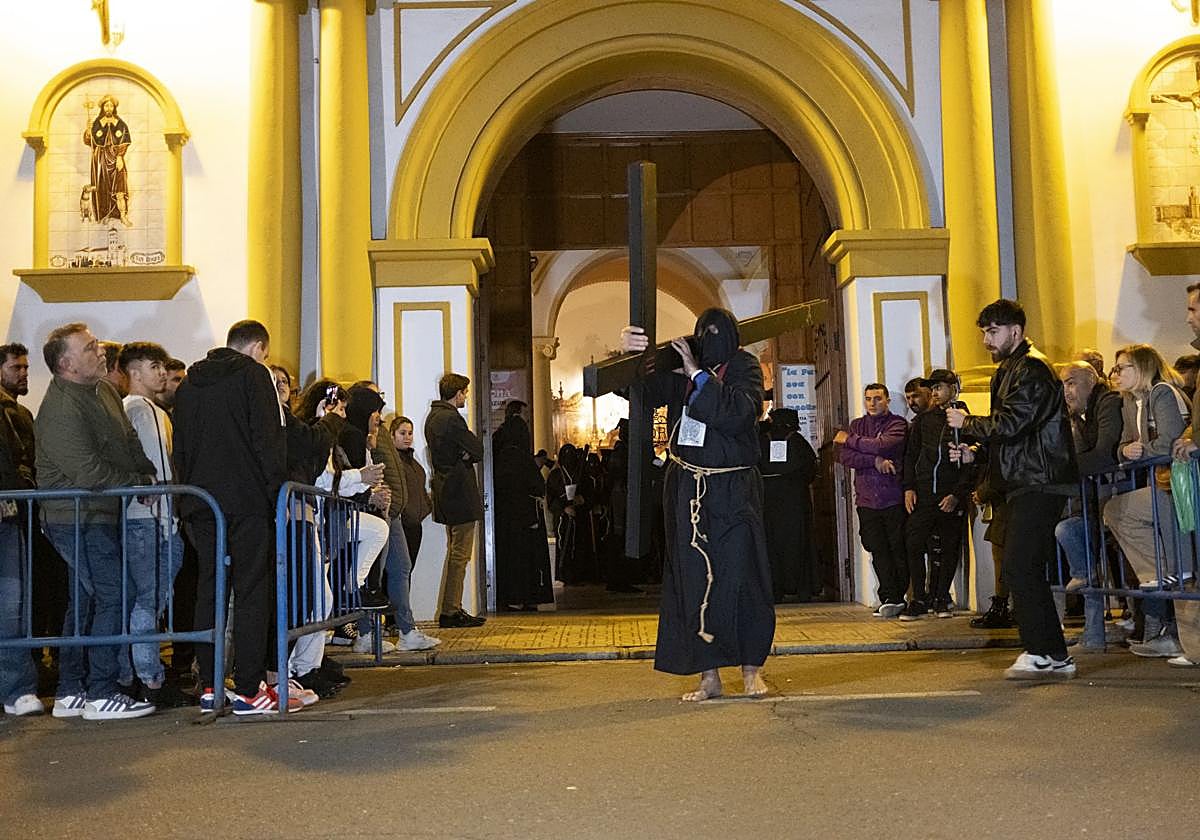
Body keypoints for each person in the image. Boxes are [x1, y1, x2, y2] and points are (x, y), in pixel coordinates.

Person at [620, 308, 774, 701]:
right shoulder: (683, 365)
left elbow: (741, 412)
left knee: (741, 574)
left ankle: (751, 670)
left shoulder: (744, 367)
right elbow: (640, 391)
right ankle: (709, 677)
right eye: (702, 332)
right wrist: (631, 356)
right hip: (688, 488)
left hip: (734, 489)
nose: (708, 338)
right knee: (693, 579)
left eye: (716, 332)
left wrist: (696, 375)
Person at [946, 299, 1079, 680]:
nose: (987, 340)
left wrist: (968, 422)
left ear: (1015, 332)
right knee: (1024, 568)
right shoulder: (1009, 370)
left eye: (993, 332)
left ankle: (1046, 652)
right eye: (984, 332)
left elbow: (1014, 422)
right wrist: (975, 453)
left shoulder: (1032, 368)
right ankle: (1050, 653)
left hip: (1042, 480)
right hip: (1025, 481)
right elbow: (1008, 431)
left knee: (1021, 567)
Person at [173, 320, 297, 715]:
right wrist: (275, 492)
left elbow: (183, 446)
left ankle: (210, 685)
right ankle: (248, 688)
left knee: (209, 589)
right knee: (252, 590)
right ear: (258, 348)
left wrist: (187, 500)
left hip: (201, 502)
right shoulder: (254, 376)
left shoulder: (191, 384)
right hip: (246, 501)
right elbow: (267, 441)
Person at [37, 322, 157, 719]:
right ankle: (101, 692)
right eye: (90, 348)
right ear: (67, 364)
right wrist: (137, 481)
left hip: (100, 512)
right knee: (115, 594)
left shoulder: (103, 389)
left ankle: (73, 689)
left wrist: (143, 472)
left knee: (87, 600)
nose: (101, 350)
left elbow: (127, 441)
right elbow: (88, 472)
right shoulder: (59, 407)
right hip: (75, 517)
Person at [1102, 344, 1189, 658]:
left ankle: (1157, 574)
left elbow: (1171, 442)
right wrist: (1126, 452)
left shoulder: (1162, 394)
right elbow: (1125, 444)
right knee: (1117, 511)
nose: (1115, 374)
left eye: (1122, 367)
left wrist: (1141, 452)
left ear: (1143, 367)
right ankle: (1155, 573)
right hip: (1159, 484)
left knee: (1119, 511)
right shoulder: (1129, 402)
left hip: (1176, 486)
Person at [118, 341, 186, 706]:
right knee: (148, 599)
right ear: (134, 372)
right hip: (147, 518)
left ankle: (138, 673)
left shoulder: (153, 410)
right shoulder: (136, 409)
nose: (162, 372)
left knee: (149, 599)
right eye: (153, 365)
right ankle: (149, 678)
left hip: (158, 517)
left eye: (163, 365)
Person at [0, 343, 67, 672]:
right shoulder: (10, 412)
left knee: (31, 594)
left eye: (26, 367)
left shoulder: (20, 412)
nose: (24, 373)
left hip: (25, 513)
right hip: (19, 514)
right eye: (17, 368)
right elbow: (21, 463)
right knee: (22, 595)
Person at [1053, 361, 1124, 652]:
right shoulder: (1078, 417)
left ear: (1091, 382)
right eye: (1063, 385)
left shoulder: (1108, 403)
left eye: (1071, 383)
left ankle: (1107, 632)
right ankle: (1094, 635)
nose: (1066, 391)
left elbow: (1104, 453)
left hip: (1117, 496)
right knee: (1072, 537)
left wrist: (1064, 470)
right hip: (1093, 503)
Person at [901, 369, 974, 620]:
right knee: (913, 542)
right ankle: (919, 597)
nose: (935, 392)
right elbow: (911, 455)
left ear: (953, 388)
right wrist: (909, 487)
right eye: (932, 388)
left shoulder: (966, 419)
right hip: (924, 493)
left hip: (950, 493)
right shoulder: (924, 420)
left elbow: (971, 462)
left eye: (939, 387)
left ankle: (942, 597)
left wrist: (956, 494)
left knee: (949, 545)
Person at [835, 383, 908, 617]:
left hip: (893, 497)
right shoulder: (857, 425)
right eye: (868, 399)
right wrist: (875, 461)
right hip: (866, 499)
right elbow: (843, 455)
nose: (872, 403)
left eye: (877, 398)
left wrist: (851, 440)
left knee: (897, 548)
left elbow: (884, 444)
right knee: (876, 548)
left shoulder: (898, 424)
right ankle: (888, 596)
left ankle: (899, 596)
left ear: (887, 400)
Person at [425, 373, 486, 628]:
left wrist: (465, 454)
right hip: (460, 491)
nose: (466, 397)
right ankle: (451, 610)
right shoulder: (452, 418)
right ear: (457, 393)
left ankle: (453, 607)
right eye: (464, 392)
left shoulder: (432, 418)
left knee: (455, 552)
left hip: (445, 489)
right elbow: (478, 450)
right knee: (460, 555)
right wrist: (465, 455)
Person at [0, 375, 41, 717]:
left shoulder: (7, 409)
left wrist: (17, 488)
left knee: (11, 605)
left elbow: (16, 456)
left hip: (5, 514)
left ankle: (17, 689)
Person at [493, 401, 553, 610]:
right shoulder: (518, 453)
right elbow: (531, 485)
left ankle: (511, 597)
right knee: (524, 558)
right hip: (524, 515)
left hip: (507, 515)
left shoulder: (502, 449)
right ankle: (524, 596)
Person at [760, 408, 818, 603]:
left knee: (771, 545)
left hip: (767, 501)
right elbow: (811, 470)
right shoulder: (798, 442)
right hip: (795, 501)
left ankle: (775, 590)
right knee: (798, 542)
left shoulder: (761, 440)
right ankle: (802, 589)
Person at [83, 94, 132, 227]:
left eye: (111, 105)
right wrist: (88, 131)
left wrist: (120, 156)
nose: (108, 108)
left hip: (116, 157)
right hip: (101, 159)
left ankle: (122, 215)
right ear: (103, 108)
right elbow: (90, 142)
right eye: (106, 105)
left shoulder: (120, 124)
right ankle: (104, 215)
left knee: (120, 187)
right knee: (101, 187)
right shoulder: (97, 123)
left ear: (114, 108)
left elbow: (124, 141)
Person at [391, 416, 432, 570]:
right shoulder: (395, 462)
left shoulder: (413, 462)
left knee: (407, 570)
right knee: (401, 570)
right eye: (402, 433)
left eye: (410, 433)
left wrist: (427, 506)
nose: (407, 437)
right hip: (402, 523)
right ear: (392, 435)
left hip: (415, 524)